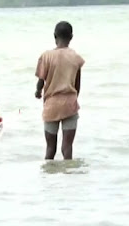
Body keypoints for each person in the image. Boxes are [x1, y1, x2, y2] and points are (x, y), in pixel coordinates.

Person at [34, 21, 85, 160]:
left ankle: (47, 179)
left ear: (55, 36)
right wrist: (74, 99)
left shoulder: (46, 56)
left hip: (51, 106)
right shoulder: (76, 57)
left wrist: (38, 92)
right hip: (70, 104)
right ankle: (69, 176)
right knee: (67, 148)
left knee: (50, 148)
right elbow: (77, 85)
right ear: (71, 37)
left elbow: (41, 80)